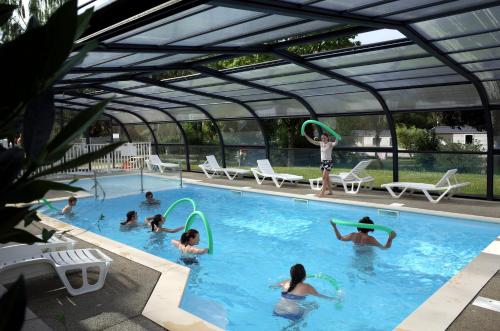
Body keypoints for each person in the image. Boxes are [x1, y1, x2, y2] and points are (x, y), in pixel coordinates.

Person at [304, 132, 338, 197]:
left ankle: (322, 192)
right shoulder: (321, 143)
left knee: (324, 177)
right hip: (322, 163)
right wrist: (306, 135)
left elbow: (335, 143)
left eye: (324, 138)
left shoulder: (330, 143)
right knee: (326, 178)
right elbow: (312, 141)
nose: (323, 139)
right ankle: (330, 192)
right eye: (322, 138)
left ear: (327, 138)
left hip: (328, 162)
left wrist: (337, 137)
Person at [330, 217, 396, 249]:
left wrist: (334, 226)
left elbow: (340, 238)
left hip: (356, 259)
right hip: (367, 260)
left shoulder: (353, 235)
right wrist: (390, 238)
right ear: (370, 228)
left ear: (358, 226)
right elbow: (384, 248)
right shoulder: (371, 239)